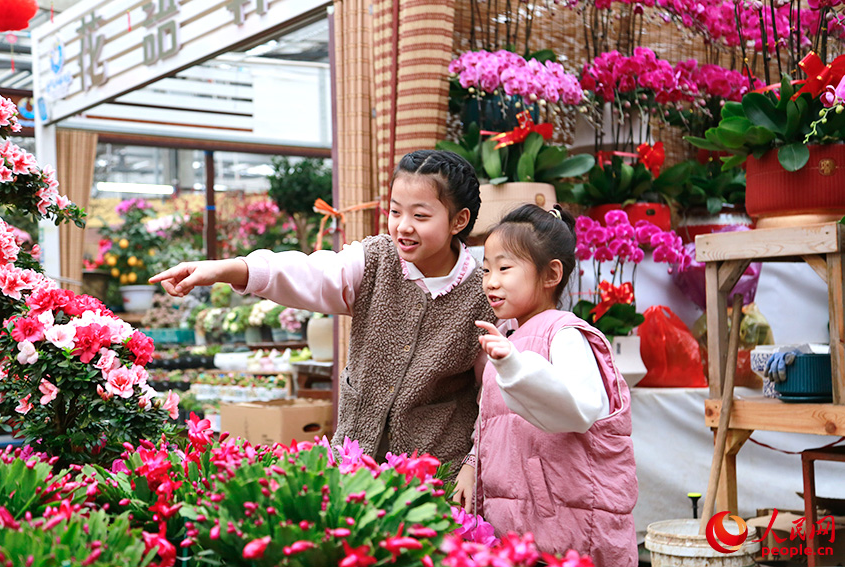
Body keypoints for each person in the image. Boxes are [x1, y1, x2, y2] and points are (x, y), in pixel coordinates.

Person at [150, 149, 496, 473]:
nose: (403, 226)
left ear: (458, 220)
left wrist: (470, 463)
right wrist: (224, 270)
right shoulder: (375, 260)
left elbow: (494, 397)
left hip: (436, 471)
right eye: (395, 211)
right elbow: (307, 273)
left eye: (420, 215)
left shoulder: (485, 294)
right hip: (355, 463)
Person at [451, 203, 637, 567]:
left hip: (568, 524)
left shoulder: (565, 333)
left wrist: (514, 365)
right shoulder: (508, 336)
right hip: (520, 520)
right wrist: (473, 464)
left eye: (504, 268)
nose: (490, 281)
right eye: (486, 269)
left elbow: (580, 409)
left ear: (551, 274)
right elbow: (491, 418)